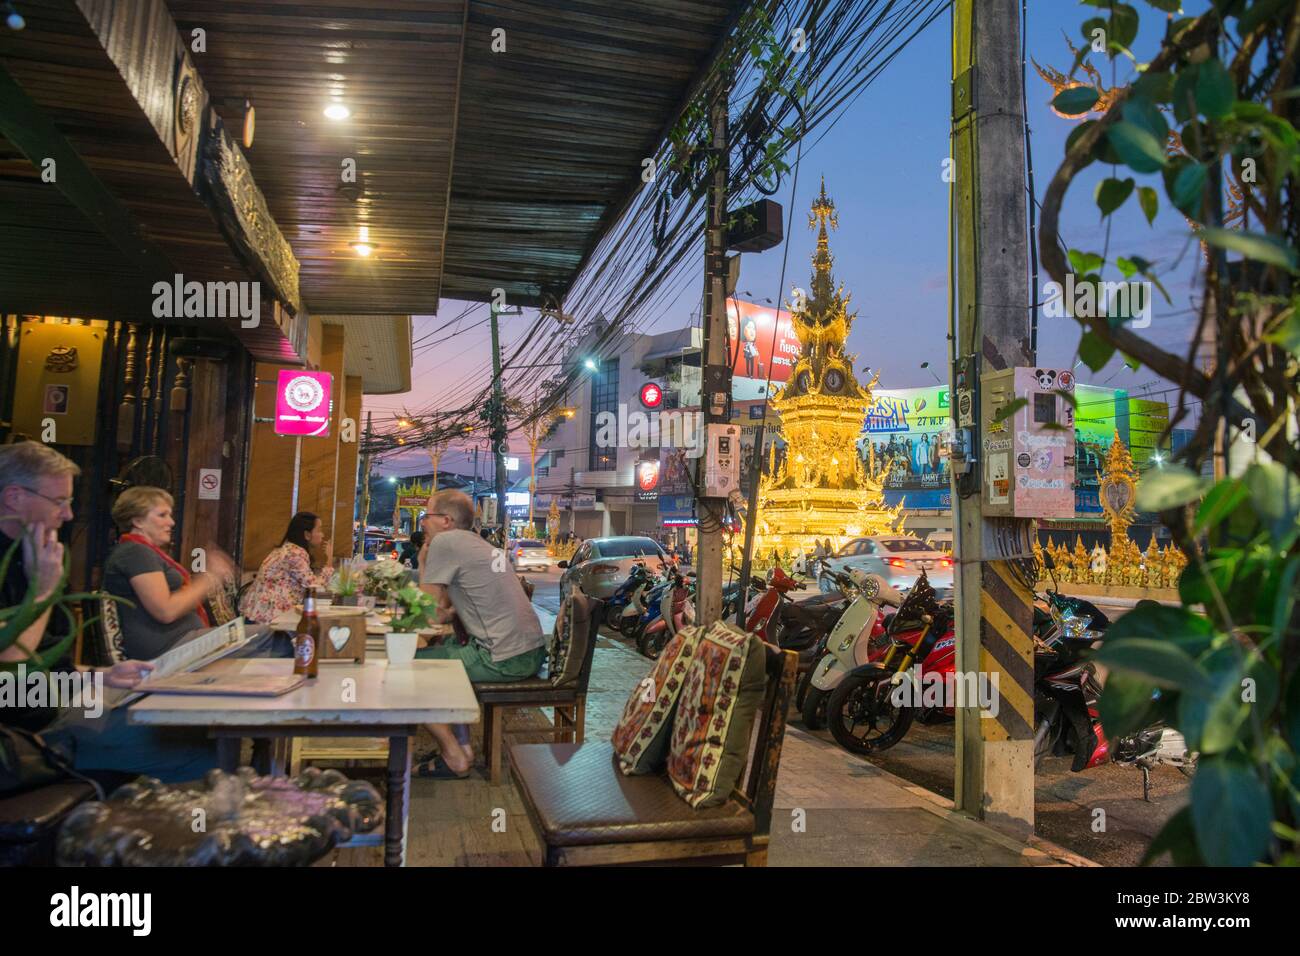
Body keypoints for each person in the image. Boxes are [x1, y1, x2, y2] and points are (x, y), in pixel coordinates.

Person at [0, 443, 206, 782]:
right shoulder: (35, 567)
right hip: (30, 729)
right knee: (193, 750)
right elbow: (12, 672)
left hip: (67, 697)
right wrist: (43, 591)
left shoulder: (35, 553)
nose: (68, 514)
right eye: (59, 501)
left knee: (191, 728)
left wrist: (101, 675)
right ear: (14, 497)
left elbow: (50, 659)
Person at [414, 490, 545, 778]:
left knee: (411, 669)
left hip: (503, 658)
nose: (422, 523)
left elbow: (425, 614)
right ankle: (464, 750)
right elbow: (447, 608)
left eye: (427, 516)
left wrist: (422, 564)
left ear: (446, 520)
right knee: (438, 655)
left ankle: (454, 756)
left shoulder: (445, 543)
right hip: (526, 651)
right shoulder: (473, 542)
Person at [102, 486, 236, 660]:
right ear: (138, 521)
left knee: (267, 636)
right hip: (167, 648)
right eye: (162, 515)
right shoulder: (135, 553)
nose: (171, 522)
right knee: (271, 639)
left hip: (180, 641)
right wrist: (208, 579)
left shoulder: (141, 551)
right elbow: (166, 611)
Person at [240, 512, 335, 625]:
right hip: (266, 619)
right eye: (319, 530)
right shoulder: (294, 553)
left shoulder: (289, 549)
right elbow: (315, 587)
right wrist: (329, 561)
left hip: (261, 614)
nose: (322, 535)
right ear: (307, 535)